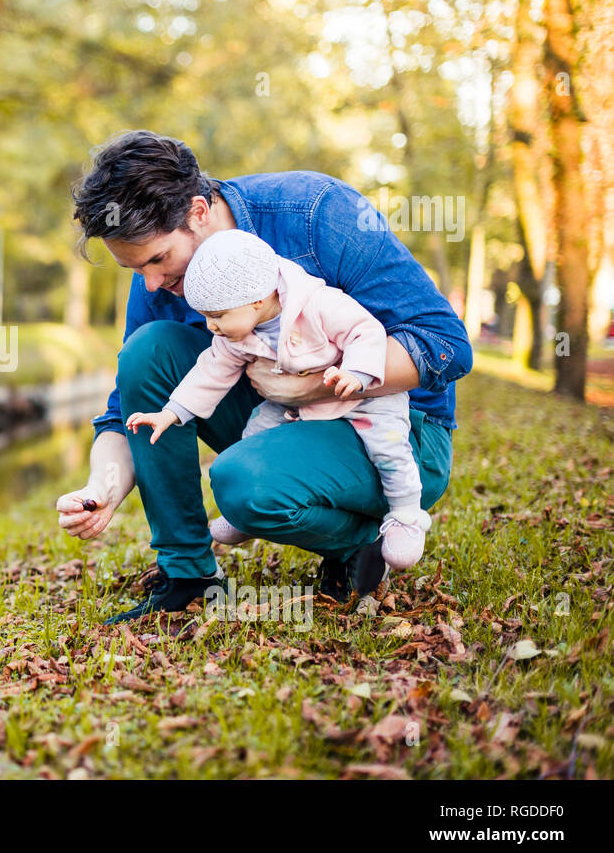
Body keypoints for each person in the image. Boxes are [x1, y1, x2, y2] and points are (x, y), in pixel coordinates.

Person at [53, 130, 471, 625]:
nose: (150, 284)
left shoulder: (317, 214)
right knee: (149, 350)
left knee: (243, 485)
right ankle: (187, 575)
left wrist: (315, 384)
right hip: (282, 417)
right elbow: (126, 413)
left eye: (157, 259)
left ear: (198, 212)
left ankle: (365, 543)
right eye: (134, 269)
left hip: (396, 429)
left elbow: (447, 345)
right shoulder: (160, 282)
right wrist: (100, 489)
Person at [122, 228, 431, 574]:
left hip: (362, 398)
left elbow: (365, 330)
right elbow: (210, 371)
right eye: (207, 316)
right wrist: (172, 412)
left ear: (256, 299)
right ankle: (243, 512)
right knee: (255, 432)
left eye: (217, 316)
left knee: (388, 448)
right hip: (296, 404)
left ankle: (406, 515)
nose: (211, 327)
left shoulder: (317, 304)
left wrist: (356, 373)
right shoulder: (236, 331)